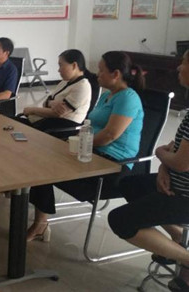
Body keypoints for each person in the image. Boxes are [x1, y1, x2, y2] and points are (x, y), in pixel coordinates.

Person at [27, 51, 145, 242]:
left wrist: (80, 144)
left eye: (101, 70)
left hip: (112, 166)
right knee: (41, 158)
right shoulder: (107, 95)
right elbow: (89, 126)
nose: (97, 74)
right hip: (92, 153)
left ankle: (40, 223)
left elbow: (109, 135)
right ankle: (41, 221)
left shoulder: (128, 98)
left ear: (115, 74)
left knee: (44, 167)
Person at [108, 50, 189, 292]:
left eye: (184, 63)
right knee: (129, 184)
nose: (179, 67)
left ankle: (186, 258)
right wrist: (164, 166)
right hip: (175, 182)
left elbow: (181, 162)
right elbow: (175, 150)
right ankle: (177, 237)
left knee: (120, 220)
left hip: (184, 196)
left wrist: (161, 155)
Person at [19, 49, 94, 131]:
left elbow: (58, 113)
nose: (59, 70)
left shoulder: (82, 86)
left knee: (19, 127)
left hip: (63, 127)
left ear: (74, 65)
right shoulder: (64, 82)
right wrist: (52, 103)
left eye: (61, 65)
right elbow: (46, 103)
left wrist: (32, 109)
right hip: (51, 121)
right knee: (15, 121)